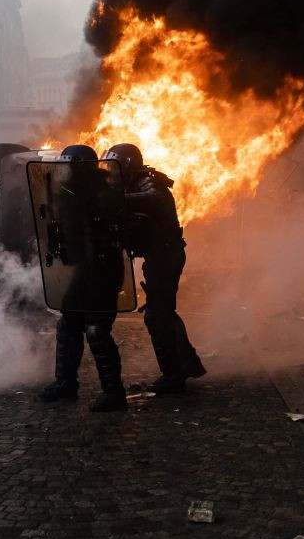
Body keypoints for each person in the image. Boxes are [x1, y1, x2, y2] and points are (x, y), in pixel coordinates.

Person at [104, 142, 205, 394]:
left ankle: (174, 376)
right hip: (157, 255)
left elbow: (152, 198)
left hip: (166, 255)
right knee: (164, 313)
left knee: (157, 315)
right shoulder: (129, 183)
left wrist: (113, 199)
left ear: (126, 165)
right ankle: (187, 364)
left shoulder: (149, 182)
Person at [37, 145, 127, 412]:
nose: (67, 172)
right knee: (69, 322)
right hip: (84, 269)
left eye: (72, 167)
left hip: (103, 268)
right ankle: (65, 383)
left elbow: (110, 231)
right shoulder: (69, 193)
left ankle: (114, 392)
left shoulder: (105, 193)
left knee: (97, 329)